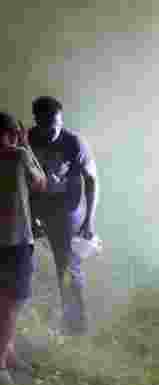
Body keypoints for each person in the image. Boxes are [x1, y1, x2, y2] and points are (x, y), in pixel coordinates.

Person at [28, 96, 98, 336]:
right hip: (36, 205)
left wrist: (89, 220)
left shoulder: (74, 143)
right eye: (48, 127)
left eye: (58, 125)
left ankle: (75, 327)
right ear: (38, 122)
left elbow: (92, 180)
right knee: (20, 259)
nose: (54, 131)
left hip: (66, 208)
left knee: (67, 266)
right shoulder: (28, 139)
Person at [0, 112, 47, 385]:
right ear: (13, 134)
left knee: (3, 302)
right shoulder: (18, 155)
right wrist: (27, 145)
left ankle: (8, 353)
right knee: (11, 303)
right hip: (16, 242)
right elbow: (41, 183)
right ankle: (0, 363)